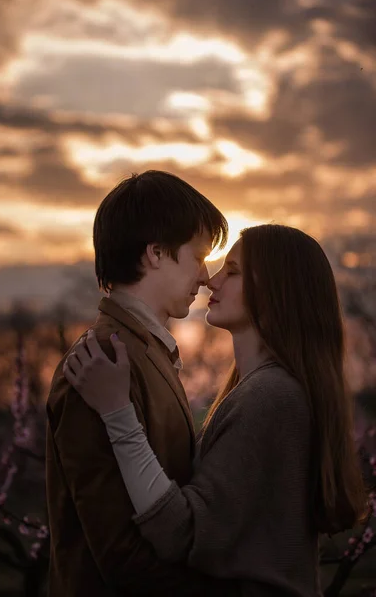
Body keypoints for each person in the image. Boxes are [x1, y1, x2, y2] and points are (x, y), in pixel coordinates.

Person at [64, 224, 368, 597]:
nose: (212, 280)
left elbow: (182, 534)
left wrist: (117, 412)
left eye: (234, 271)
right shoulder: (262, 390)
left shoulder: (270, 397)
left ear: (277, 291)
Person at [46, 170, 239, 597]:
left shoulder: (139, 352)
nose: (206, 276)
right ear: (155, 252)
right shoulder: (101, 362)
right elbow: (119, 555)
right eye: (197, 256)